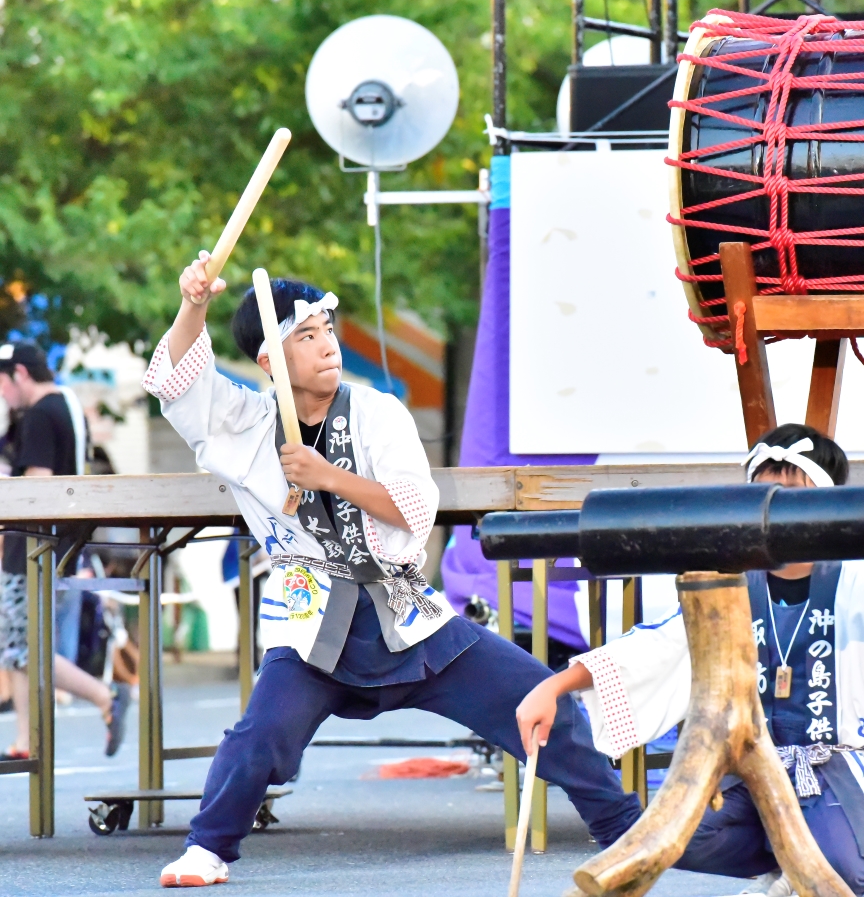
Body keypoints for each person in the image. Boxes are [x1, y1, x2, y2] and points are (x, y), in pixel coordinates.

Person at [146, 252, 639, 888]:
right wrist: (193, 305)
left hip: (405, 612)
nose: (327, 346)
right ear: (269, 361)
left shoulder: (378, 412)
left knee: (539, 705)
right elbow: (175, 383)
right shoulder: (241, 423)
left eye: (327, 330)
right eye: (305, 336)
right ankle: (207, 850)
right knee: (259, 735)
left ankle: (625, 831)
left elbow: (414, 509)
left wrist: (328, 477)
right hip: (312, 617)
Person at [515, 423, 864, 897]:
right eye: (764, 499)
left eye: (793, 501)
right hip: (746, 769)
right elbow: (660, 644)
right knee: (668, 835)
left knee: (838, 876)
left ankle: (794, 875)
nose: (777, 515)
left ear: (828, 509)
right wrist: (553, 686)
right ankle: (778, 867)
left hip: (830, 772)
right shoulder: (730, 580)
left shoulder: (857, 583)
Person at [0, 341, 130, 760]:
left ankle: (105, 694)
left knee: (26, 648)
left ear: (19, 374)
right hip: (66, 541)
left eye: (2, 383)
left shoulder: (37, 415)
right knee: (19, 646)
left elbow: (37, 486)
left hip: (33, 544)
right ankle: (25, 739)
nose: (2, 394)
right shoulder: (68, 404)